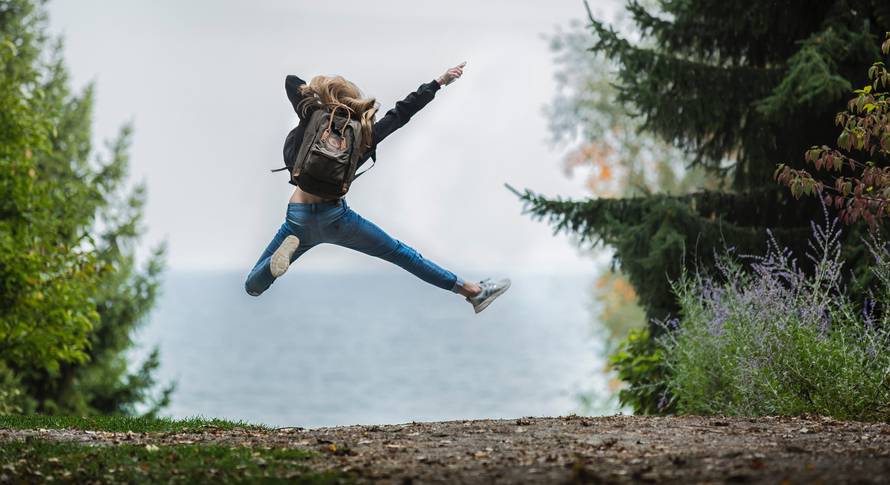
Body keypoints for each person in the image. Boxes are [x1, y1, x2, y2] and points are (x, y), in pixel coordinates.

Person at [244, 62, 510, 314]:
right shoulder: (363, 134)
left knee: (252, 286)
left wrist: (319, 100)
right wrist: (439, 82)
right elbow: (402, 113)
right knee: (402, 255)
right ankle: (472, 292)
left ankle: (273, 266)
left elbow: (291, 82)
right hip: (336, 219)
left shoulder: (312, 116)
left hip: (298, 219)